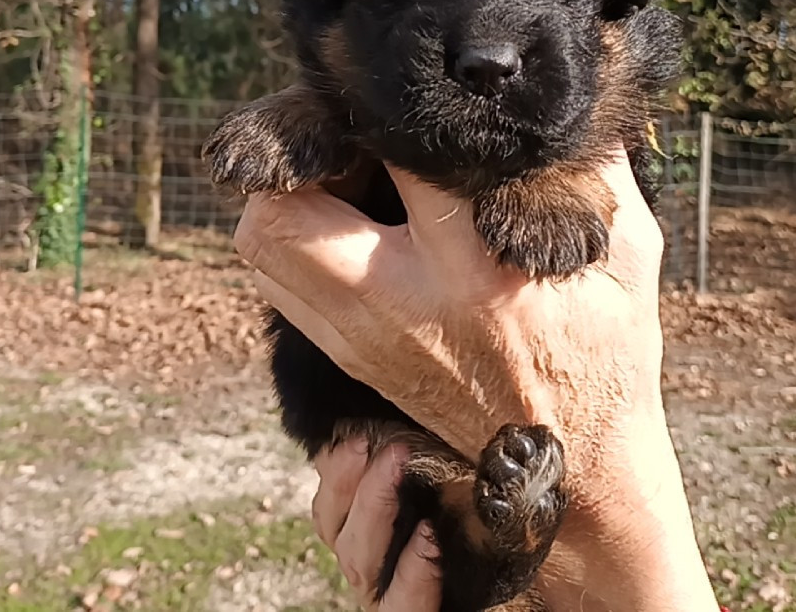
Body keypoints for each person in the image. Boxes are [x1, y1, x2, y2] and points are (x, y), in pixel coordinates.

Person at [233, 144, 723, 612]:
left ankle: (488, 534)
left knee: (434, 534)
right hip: (380, 432)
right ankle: (488, 534)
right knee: (419, 519)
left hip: (409, 464)